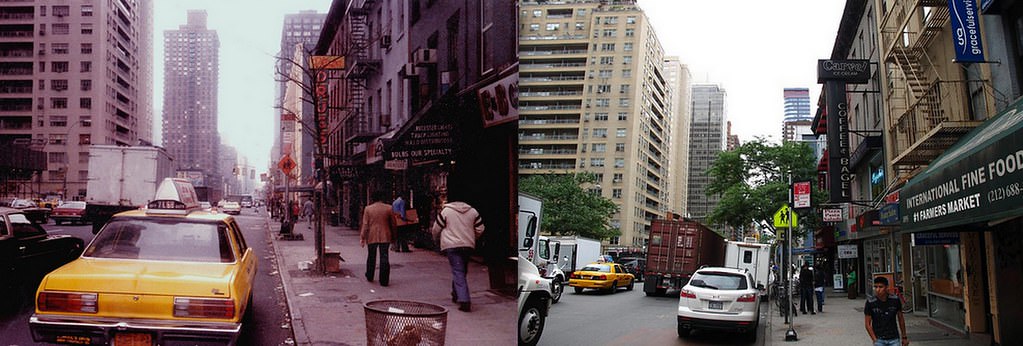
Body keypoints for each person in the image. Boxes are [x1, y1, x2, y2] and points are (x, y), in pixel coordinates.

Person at [431, 194, 484, 312]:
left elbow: (436, 228)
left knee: (458, 271)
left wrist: (436, 239)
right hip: (467, 245)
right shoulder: (473, 212)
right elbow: (480, 228)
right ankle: (456, 294)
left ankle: (464, 300)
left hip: (452, 246)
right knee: (461, 271)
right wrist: (472, 237)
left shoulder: (446, 212)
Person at [360, 190, 397, 286]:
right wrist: (394, 236)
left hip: (372, 235)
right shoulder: (389, 208)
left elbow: (365, 224)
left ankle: (370, 275)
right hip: (385, 235)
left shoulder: (368, 209)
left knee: (371, 256)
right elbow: (393, 224)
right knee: (384, 256)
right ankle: (384, 280)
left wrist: (362, 237)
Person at [865, 276, 909, 346]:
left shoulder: (895, 300)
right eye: (875, 287)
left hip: (894, 338)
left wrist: (904, 337)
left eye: (880, 287)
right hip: (879, 339)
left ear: (887, 287)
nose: (877, 289)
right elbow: (867, 324)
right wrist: (874, 339)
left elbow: (901, 319)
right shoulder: (870, 302)